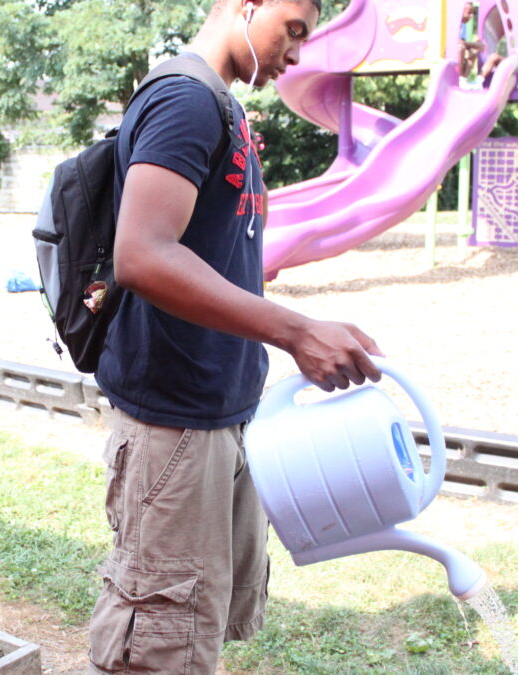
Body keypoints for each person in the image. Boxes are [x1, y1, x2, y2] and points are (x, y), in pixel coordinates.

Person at [86, 0, 384, 672]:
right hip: (174, 423)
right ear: (247, 6)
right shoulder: (186, 100)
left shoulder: (224, 109)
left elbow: (217, 245)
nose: (297, 54)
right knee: (158, 644)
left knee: (194, 631)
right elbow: (142, 254)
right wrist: (296, 331)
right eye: (293, 29)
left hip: (220, 413)